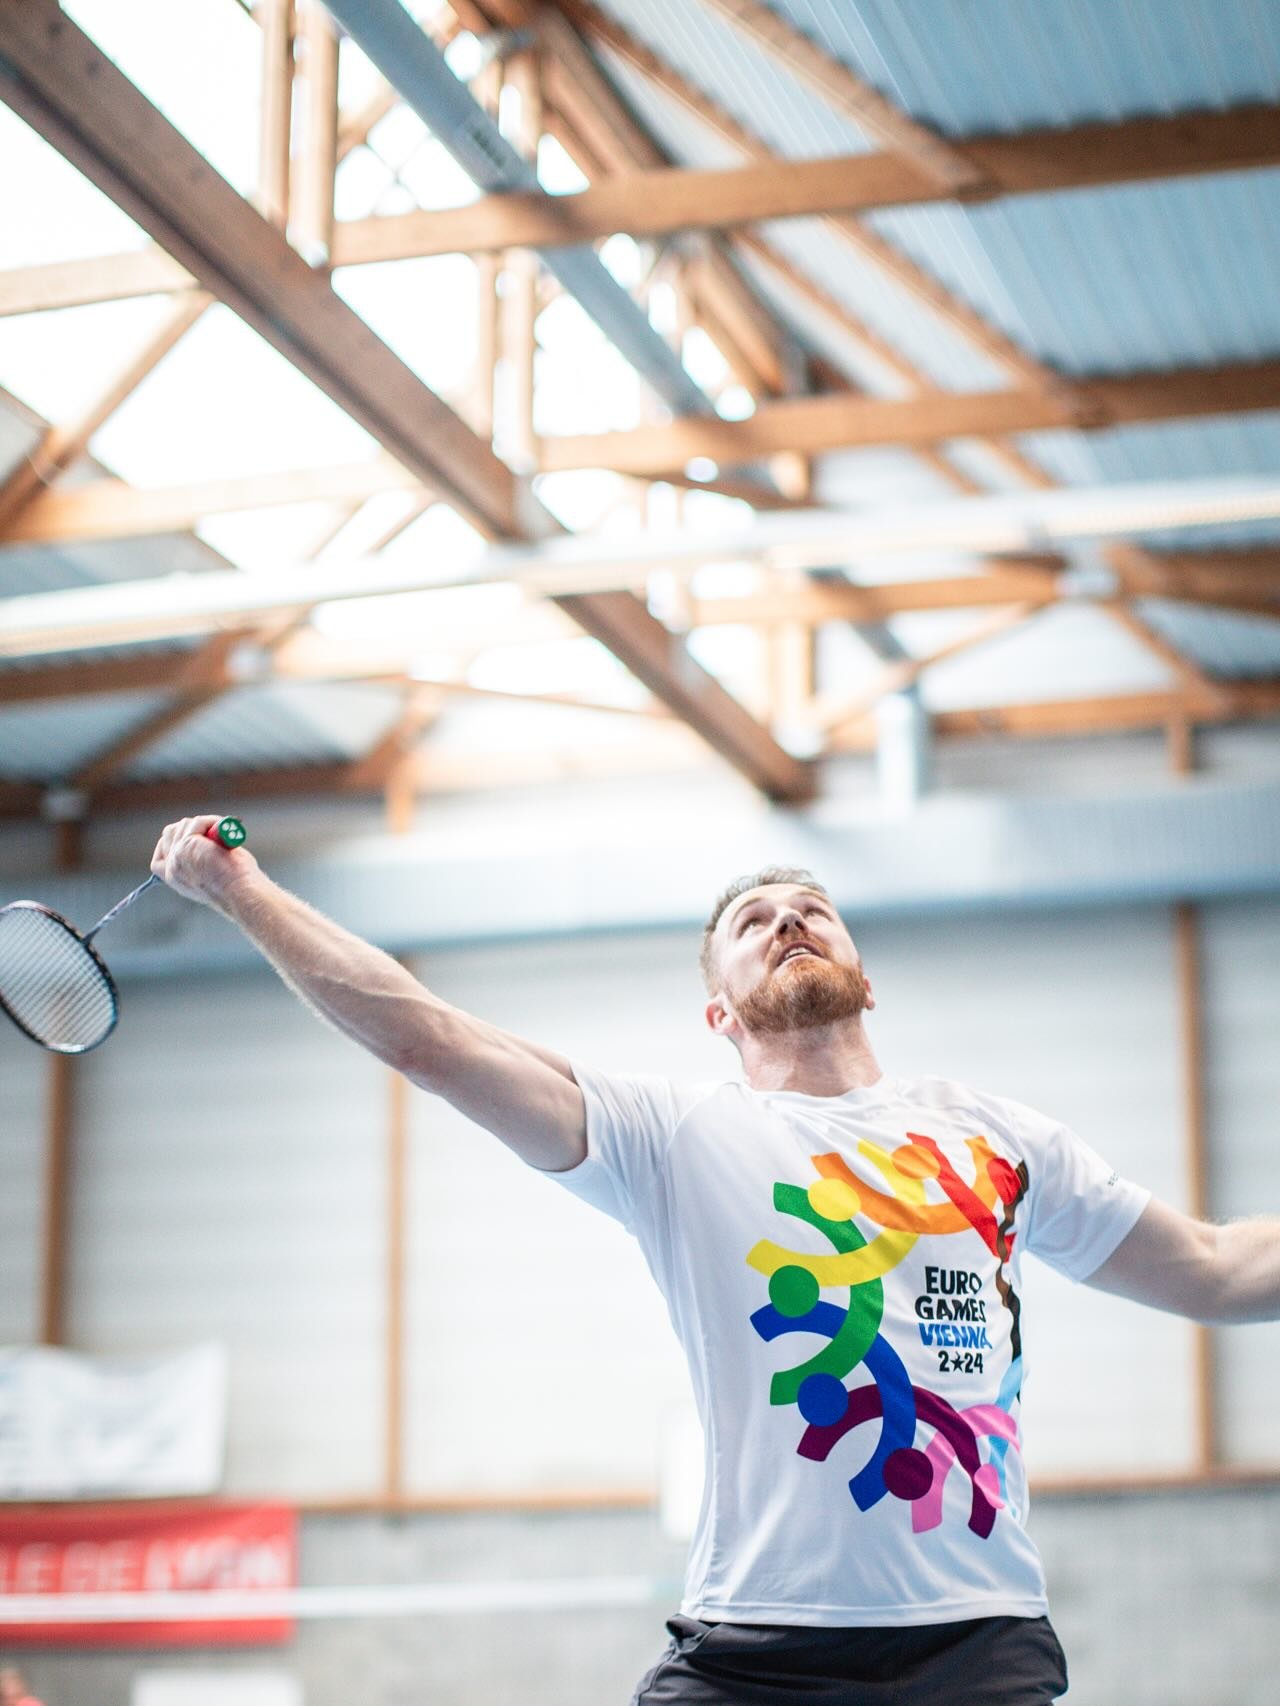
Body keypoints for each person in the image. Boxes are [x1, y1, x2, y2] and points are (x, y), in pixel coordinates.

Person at [151, 821, 1280, 1705]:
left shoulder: (994, 1137)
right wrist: (243, 891)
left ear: (862, 974)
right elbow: (430, 1038)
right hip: (755, 1646)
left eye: (812, 909)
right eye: (754, 919)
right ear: (716, 1007)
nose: (788, 919)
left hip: (975, 1641)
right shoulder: (670, 1134)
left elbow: (1218, 1267)